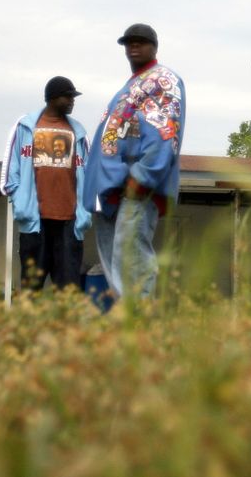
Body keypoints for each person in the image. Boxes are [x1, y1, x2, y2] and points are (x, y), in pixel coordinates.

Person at [83, 23, 185, 300]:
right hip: (111, 186)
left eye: (140, 41)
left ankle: (142, 329)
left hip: (136, 184)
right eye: (129, 42)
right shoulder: (131, 85)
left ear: (154, 46)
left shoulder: (161, 79)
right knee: (116, 264)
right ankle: (129, 326)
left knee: (132, 258)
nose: (133, 46)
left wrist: (143, 176)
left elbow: (166, 129)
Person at [1, 76, 91, 292]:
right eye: (68, 97)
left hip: (70, 224)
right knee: (31, 289)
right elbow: (9, 172)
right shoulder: (25, 127)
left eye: (73, 97)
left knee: (69, 292)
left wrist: (85, 212)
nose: (72, 101)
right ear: (53, 98)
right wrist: (20, 202)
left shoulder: (78, 133)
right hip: (35, 222)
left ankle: (66, 328)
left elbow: (89, 174)